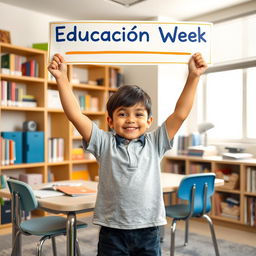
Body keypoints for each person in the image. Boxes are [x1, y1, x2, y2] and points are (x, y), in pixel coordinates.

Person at [48, 52, 207, 256]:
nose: (131, 119)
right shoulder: (103, 143)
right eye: (122, 114)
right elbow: (75, 115)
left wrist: (193, 76)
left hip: (148, 229)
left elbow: (180, 113)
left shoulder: (155, 142)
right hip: (112, 231)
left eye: (138, 114)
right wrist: (61, 78)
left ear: (149, 121)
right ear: (110, 121)